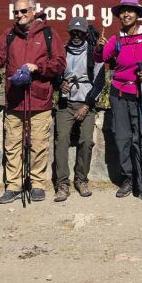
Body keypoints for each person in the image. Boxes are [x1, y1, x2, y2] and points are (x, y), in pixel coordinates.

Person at [0, 0, 65, 204]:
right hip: (14, 100)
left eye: (23, 11)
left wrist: (39, 68)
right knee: (12, 145)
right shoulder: (8, 35)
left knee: (39, 145)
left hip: (40, 99)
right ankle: (14, 185)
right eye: (16, 12)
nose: (19, 15)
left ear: (34, 10)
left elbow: (59, 63)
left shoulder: (48, 34)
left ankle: (37, 184)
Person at [97, 0, 142, 205]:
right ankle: (127, 179)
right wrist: (99, 47)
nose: (126, 14)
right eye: (123, 11)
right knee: (123, 139)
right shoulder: (116, 40)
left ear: (138, 14)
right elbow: (101, 58)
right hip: (119, 95)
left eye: (130, 11)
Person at [53, 17, 105, 202]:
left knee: (85, 141)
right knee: (62, 140)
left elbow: (99, 83)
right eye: (73, 32)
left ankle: (81, 179)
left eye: (80, 33)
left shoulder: (94, 53)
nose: (76, 36)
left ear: (85, 34)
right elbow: (54, 74)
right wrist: (61, 84)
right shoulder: (63, 52)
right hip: (66, 103)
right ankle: (62, 183)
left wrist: (86, 106)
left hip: (86, 102)